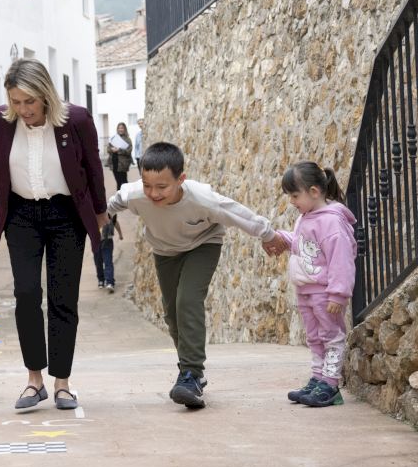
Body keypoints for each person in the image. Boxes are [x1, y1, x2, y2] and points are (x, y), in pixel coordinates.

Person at [0, 59, 107, 411]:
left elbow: (93, 167)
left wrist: (100, 211)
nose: (23, 109)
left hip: (66, 215)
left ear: (45, 94)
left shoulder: (76, 120)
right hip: (21, 215)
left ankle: (62, 383)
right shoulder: (0, 120)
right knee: (27, 293)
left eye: (29, 101)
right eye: (16, 101)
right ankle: (35, 380)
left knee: (63, 298)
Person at [108, 141, 283, 409]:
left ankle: (191, 374)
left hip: (203, 245)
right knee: (172, 313)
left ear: (181, 179)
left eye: (162, 186)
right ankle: (189, 372)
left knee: (187, 301)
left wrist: (268, 235)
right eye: (147, 185)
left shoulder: (202, 198)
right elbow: (111, 205)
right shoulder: (134, 195)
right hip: (165, 251)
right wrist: (97, 220)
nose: (153, 193)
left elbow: (236, 213)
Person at [270, 162, 356, 408]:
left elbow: (341, 259)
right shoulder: (305, 218)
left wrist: (338, 294)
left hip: (324, 293)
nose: (291, 201)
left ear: (314, 192)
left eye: (295, 195)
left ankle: (330, 385)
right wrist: (282, 238)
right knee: (314, 337)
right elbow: (303, 244)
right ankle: (318, 378)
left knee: (331, 336)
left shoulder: (332, 222)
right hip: (306, 292)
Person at [93, 214, 123, 292]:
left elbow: (115, 223)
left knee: (108, 261)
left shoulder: (109, 213)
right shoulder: (92, 213)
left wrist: (120, 234)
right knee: (98, 262)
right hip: (96, 242)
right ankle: (101, 279)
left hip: (108, 241)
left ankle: (110, 282)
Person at [108, 122, 134, 188]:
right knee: (118, 181)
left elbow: (129, 151)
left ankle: (125, 193)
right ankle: (119, 193)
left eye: (122, 128)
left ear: (125, 129)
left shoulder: (127, 139)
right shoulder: (113, 138)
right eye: (119, 128)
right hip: (114, 162)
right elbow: (108, 149)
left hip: (123, 164)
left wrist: (119, 150)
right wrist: (112, 149)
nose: (120, 129)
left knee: (124, 181)